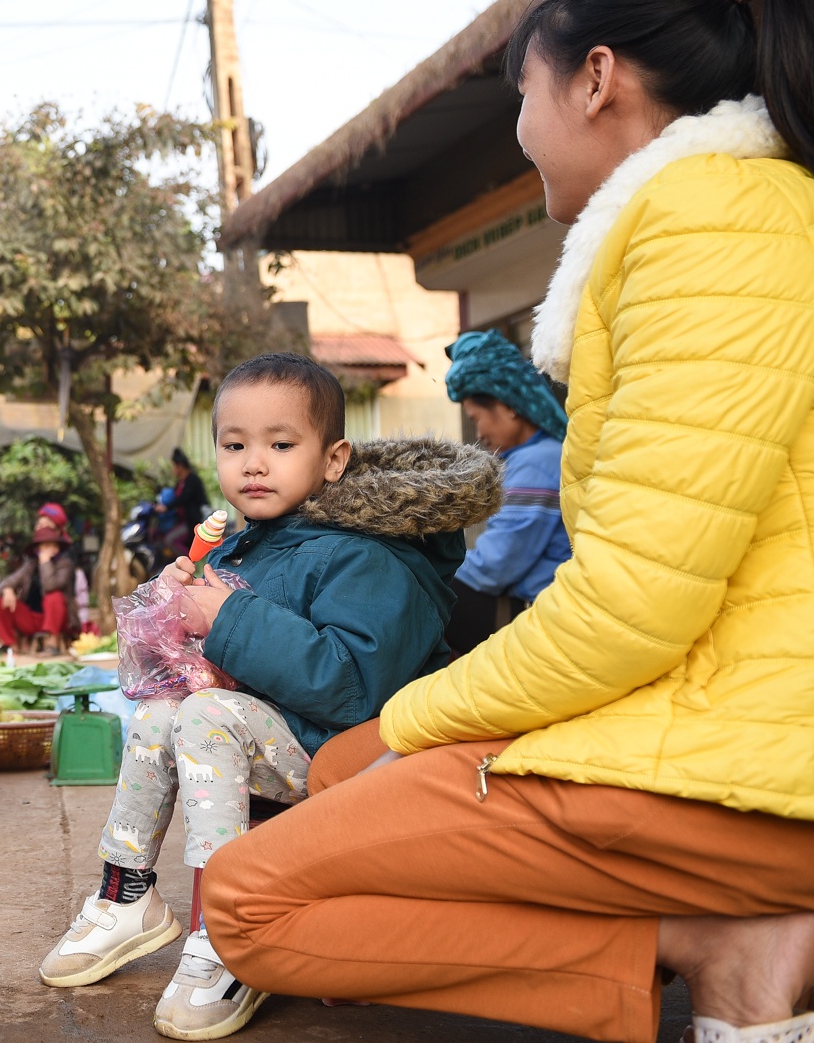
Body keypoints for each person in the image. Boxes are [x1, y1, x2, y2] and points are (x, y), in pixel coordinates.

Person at [202, 0, 814, 1043]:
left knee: (249, 899)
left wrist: (417, 718)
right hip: (794, 749)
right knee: (342, 765)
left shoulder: (713, 226)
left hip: (768, 776)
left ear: (596, 78)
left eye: (523, 94)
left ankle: (714, 944)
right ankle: (717, 941)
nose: (522, 129)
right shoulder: (777, 217)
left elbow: (632, 601)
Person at [38, 353, 500, 1041]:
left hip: (354, 752)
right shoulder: (247, 546)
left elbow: (350, 689)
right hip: (275, 733)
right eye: (235, 445)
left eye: (281, 445)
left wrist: (227, 619)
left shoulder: (373, 556)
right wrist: (182, 617)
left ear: (334, 458)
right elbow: (226, 664)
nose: (255, 463)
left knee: (205, 716)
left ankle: (230, 928)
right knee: (166, 708)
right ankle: (126, 891)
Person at [441, 328, 571, 653]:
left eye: (478, 418)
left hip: (535, 610)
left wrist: (433, 576)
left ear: (508, 405)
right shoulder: (539, 456)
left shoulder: (538, 461)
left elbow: (497, 565)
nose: (479, 432)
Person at [0, 516, 77, 655]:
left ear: (57, 548)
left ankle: (52, 643)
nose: (46, 549)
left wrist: (45, 562)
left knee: (54, 596)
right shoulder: (30, 564)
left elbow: (50, 585)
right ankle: (10, 644)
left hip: (59, 620)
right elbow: (5, 583)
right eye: (43, 546)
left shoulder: (65, 564)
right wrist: (7, 589)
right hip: (33, 619)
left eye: (50, 545)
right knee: (1, 599)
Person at [165, 447, 210, 556]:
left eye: (174, 466)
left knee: (170, 540)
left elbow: (184, 498)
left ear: (180, 466)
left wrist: (166, 507)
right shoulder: (181, 482)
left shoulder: (192, 480)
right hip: (183, 521)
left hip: (193, 523)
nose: (173, 470)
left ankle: (189, 562)